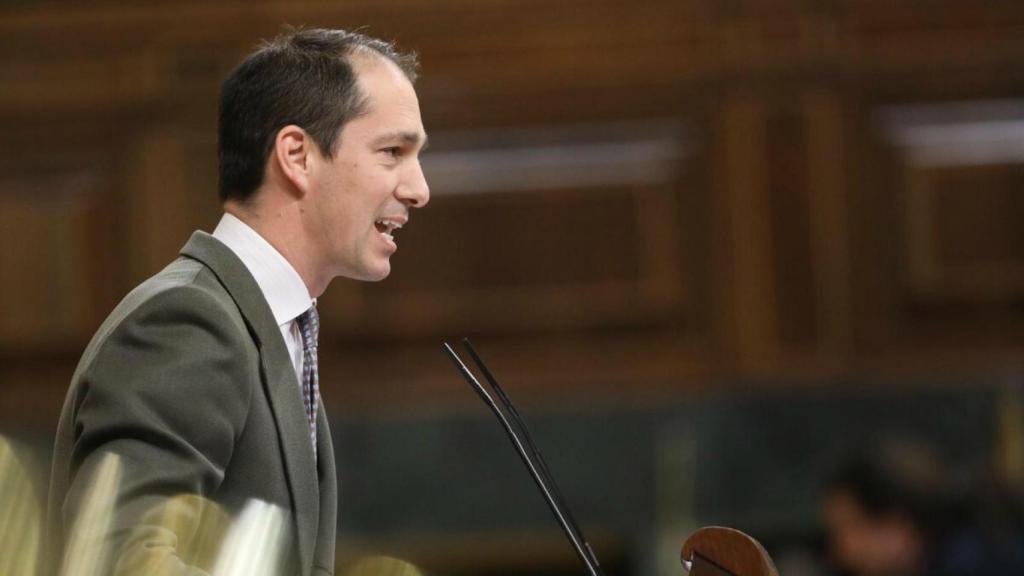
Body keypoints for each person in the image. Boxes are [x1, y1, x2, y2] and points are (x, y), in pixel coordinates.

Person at [47, 27, 429, 576]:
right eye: (392, 151)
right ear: (296, 155)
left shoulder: (273, 325)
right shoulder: (188, 321)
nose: (419, 188)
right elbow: (122, 559)